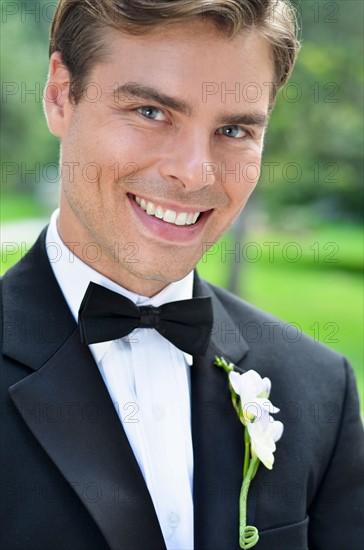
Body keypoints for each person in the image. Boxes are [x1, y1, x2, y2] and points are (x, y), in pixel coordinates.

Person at [1, 1, 363, 549]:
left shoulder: (321, 388)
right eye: (150, 111)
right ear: (59, 95)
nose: (194, 172)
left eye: (235, 129)